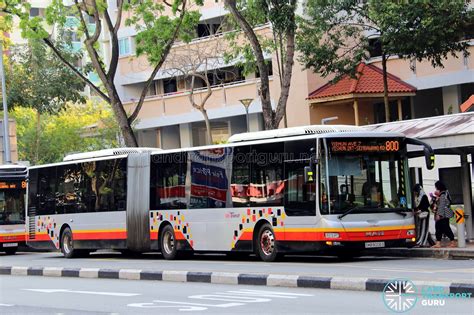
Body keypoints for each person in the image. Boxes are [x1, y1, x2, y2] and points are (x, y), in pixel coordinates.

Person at [431, 181, 456, 248]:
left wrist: (439, 215)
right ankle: (438, 243)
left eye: (436, 187)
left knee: (445, 228)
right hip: (443, 214)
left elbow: (442, 205)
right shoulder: (444, 194)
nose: (435, 188)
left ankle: (452, 242)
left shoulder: (443, 194)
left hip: (443, 215)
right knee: (439, 228)